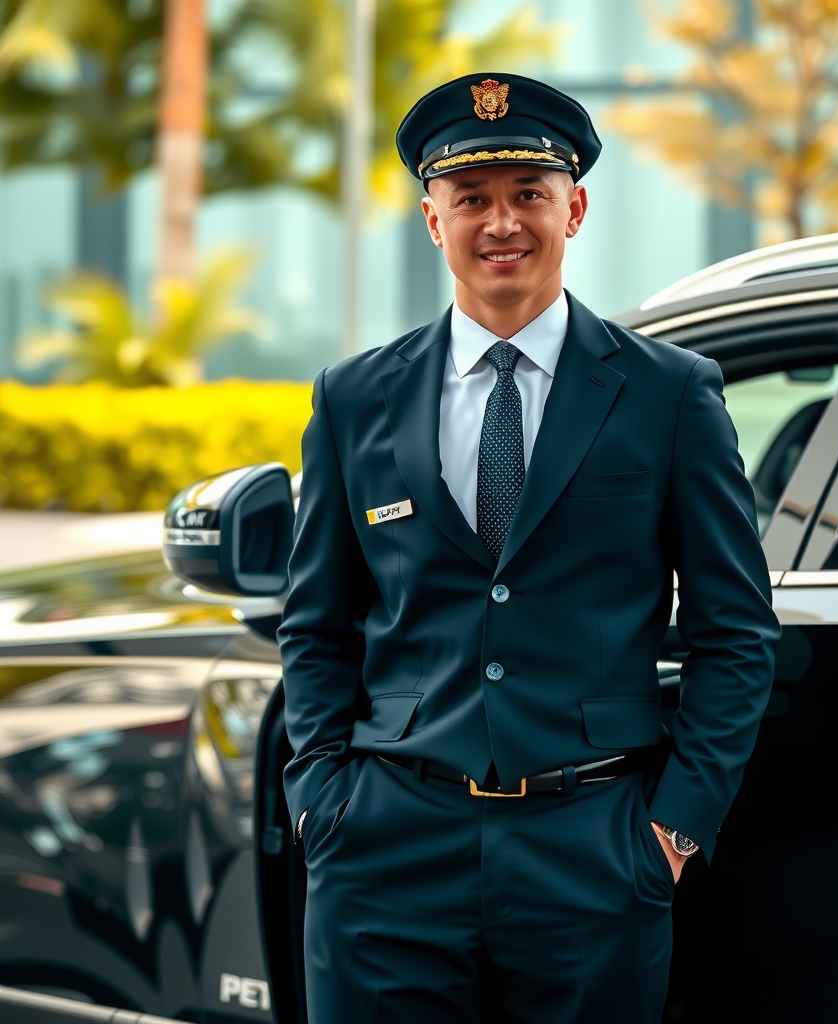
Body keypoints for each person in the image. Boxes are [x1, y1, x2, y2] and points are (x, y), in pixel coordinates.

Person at [279, 72, 780, 1024]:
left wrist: (674, 827)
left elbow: (736, 630)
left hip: (593, 848)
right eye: (471, 198)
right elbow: (315, 624)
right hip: (386, 846)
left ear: (575, 208)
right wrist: (322, 801)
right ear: (434, 220)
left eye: (528, 196)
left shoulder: (671, 393)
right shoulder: (352, 399)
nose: (501, 222)